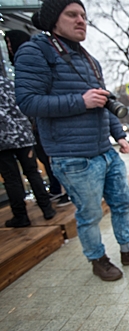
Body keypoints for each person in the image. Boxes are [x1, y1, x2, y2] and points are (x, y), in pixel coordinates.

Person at [14, 0, 129, 281]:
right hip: (72, 156)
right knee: (90, 214)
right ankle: (98, 259)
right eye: (72, 14)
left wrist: (119, 134)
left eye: (83, 15)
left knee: (122, 202)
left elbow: (102, 101)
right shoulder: (35, 51)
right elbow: (28, 102)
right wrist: (80, 101)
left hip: (105, 150)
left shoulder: (90, 59)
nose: (81, 20)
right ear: (54, 19)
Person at [4, 30, 72, 208]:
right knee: (33, 170)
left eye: (10, 44)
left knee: (21, 174)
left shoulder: (28, 64)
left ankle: (35, 207)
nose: (9, 48)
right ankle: (49, 201)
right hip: (26, 134)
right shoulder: (13, 80)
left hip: (24, 134)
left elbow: (27, 103)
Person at [0, 61, 56, 227]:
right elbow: (27, 106)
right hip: (24, 136)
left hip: (2, 140)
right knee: (32, 172)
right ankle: (47, 209)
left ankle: (21, 216)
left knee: (12, 179)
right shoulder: (12, 84)